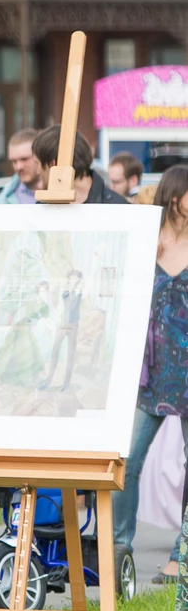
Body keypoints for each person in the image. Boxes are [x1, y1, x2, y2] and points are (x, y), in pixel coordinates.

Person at [114, 164, 188, 577]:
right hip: (150, 373)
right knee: (126, 460)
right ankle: (117, 548)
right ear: (175, 196)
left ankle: (182, 555)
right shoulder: (148, 240)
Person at [31, 126, 129, 204]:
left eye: (37, 164)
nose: (37, 172)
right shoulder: (41, 212)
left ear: (53, 165)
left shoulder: (119, 210)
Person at [0, 128, 42, 204]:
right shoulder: (4, 199)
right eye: (14, 161)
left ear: (40, 157)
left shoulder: (59, 191)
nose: (19, 167)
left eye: (24, 159)